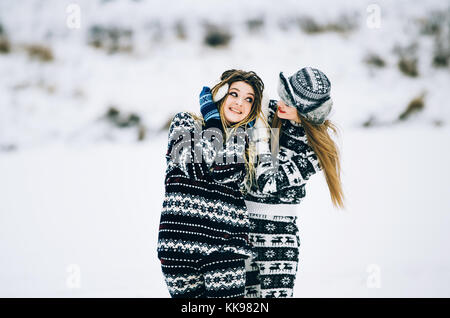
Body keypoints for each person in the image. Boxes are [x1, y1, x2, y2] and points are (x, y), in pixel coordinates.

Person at [157, 69, 264, 298]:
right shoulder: (184, 121)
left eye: (249, 99)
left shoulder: (244, 140)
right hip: (178, 245)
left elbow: (226, 172)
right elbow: (194, 166)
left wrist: (236, 132)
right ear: (220, 94)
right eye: (234, 94)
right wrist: (213, 121)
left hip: (225, 247)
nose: (240, 103)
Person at [243, 67, 345, 298]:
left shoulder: (316, 150)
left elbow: (268, 181)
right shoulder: (270, 114)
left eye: (290, 102)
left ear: (309, 111)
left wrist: (260, 134)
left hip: (278, 236)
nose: (281, 103)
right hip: (242, 227)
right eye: (283, 95)